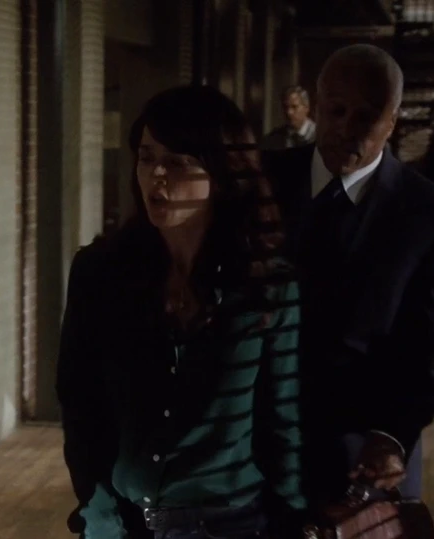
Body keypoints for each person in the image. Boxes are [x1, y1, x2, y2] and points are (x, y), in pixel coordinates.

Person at [57, 85, 306, 538]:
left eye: (177, 162)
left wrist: (292, 522)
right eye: (147, 157)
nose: (156, 174)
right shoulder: (100, 273)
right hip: (125, 524)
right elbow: (80, 407)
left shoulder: (266, 287)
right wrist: (99, 516)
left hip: (231, 525)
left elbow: (282, 423)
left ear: (222, 173)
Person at [263, 44, 434, 504]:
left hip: (364, 456)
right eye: (336, 111)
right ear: (317, 106)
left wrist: (392, 434)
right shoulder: (263, 183)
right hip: (257, 451)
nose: (346, 128)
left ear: (392, 121)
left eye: (366, 116)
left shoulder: (432, 215)